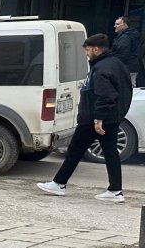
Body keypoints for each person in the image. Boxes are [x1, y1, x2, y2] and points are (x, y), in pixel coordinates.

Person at [38, 33, 134, 203]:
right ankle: (115, 191)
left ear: (96, 49)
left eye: (88, 50)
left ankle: (59, 183)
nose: (86, 54)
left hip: (94, 119)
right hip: (109, 118)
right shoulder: (115, 64)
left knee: (75, 150)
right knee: (110, 153)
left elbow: (106, 96)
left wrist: (98, 119)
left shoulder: (102, 68)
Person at [110, 16, 142, 87]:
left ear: (125, 25)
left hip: (125, 68)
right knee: (130, 88)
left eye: (117, 24)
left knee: (124, 90)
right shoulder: (132, 35)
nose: (115, 26)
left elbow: (122, 54)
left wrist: (111, 62)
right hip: (132, 67)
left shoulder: (125, 38)